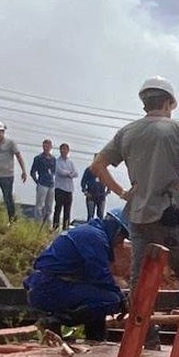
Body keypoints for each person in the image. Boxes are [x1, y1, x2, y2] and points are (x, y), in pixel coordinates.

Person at [91, 76, 179, 355]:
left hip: (139, 217)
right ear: (168, 103)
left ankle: (146, 338)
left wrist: (123, 192)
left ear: (145, 103)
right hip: (171, 214)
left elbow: (98, 165)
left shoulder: (127, 132)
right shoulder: (178, 130)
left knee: (141, 278)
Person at [23, 208, 130, 342]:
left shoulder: (89, 232)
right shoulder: (95, 238)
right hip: (50, 288)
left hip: (45, 286)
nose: (121, 242)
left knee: (100, 295)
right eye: (123, 236)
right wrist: (122, 299)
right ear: (116, 229)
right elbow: (100, 276)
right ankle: (54, 321)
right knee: (111, 300)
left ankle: (96, 338)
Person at [30, 139, 56, 224]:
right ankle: (38, 224)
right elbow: (32, 172)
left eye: (48, 146)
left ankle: (47, 225)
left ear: (51, 147)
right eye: (45, 146)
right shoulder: (38, 158)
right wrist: (37, 181)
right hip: (42, 184)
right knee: (39, 206)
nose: (46, 148)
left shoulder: (53, 159)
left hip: (51, 184)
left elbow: (54, 171)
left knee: (49, 207)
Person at [53, 143, 77, 231]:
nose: (64, 151)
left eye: (66, 149)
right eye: (62, 149)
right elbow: (60, 172)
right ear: (60, 150)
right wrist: (69, 173)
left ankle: (65, 228)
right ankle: (55, 227)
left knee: (67, 210)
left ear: (68, 151)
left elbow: (76, 173)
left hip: (69, 189)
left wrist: (69, 173)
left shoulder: (71, 162)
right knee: (58, 208)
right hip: (60, 188)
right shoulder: (57, 161)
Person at [81, 155, 108, 221]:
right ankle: (88, 230)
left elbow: (109, 181)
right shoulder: (88, 170)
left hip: (101, 197)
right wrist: (85, 192)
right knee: (90, 216)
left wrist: (108, 191)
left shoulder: (104, 170)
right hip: (91, 196)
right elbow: (83, 182)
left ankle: (99, 230)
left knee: (101, 216)